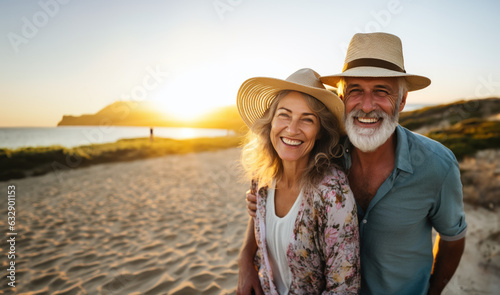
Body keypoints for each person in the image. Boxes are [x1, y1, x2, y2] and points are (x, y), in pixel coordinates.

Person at [241, 33, 467, 295]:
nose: (367, 105)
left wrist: (433, 291)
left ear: (402, 100)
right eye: (355, 91)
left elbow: (453, 239)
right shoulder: (325, 153)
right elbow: (268, 197)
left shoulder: (437, 165)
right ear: (342, 97)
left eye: (382, 91)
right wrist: (246, 257)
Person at [236, 68, 360, 294]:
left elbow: (344, 288)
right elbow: (257, 221)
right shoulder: (262, 175)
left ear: (320, 132)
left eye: (307, 119)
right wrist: (245, 261)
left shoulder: (333, 194)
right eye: (284, 114)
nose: (292, 129)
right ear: (271, 121)